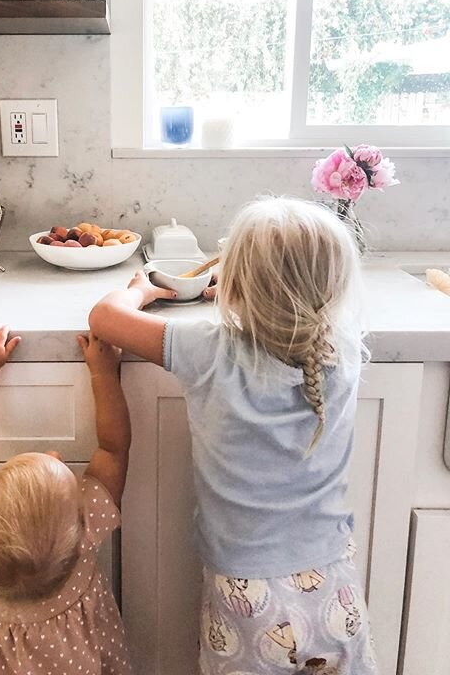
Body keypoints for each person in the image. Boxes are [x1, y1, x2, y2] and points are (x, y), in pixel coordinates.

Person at [89, 197, 377, 673]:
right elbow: (293, 299)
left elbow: (105, 317)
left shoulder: (209, 350)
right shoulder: (343, 349)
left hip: (249, 601)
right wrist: (247, 291)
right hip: (334, 591)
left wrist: (140, 289)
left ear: (236, 285)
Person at [0, 323, 133, 674]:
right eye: (59, 464)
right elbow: (114, 448)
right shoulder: (86, 525)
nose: (55, 453)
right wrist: (104, 373)